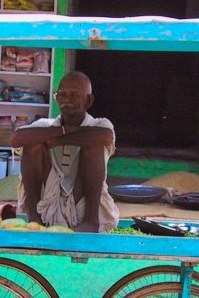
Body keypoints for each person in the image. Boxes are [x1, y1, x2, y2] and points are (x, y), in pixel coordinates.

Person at [11, 71, 119, 233]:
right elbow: (17, 139)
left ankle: (91, 221)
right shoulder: (45, 125)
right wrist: (63, 130)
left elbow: (105, 137)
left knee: (93, 144)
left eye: (74, 94)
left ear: (89, 100)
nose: (67, 99)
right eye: (61, 94)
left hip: (82, 205)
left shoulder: (101, 124)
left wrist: (57, 140)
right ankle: (34, 218)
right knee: (32, 144)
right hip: (47, 207)